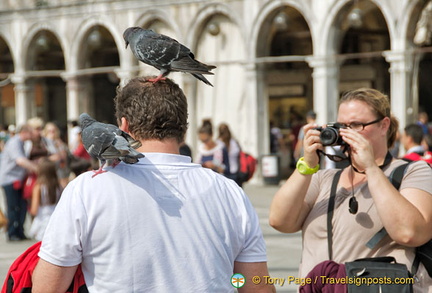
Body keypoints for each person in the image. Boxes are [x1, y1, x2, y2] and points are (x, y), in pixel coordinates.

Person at [33, 77, 273, 293]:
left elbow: (47, 288)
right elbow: (256, 286)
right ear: (184, 129)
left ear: (123, 126)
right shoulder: (230, 192)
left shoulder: (86, 190)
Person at [269, 88, 432, 292]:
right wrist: (307, 165)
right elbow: (279, 221)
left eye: (356, 125)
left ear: (384, 125)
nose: (346, 133)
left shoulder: (413, 171)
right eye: (341, 126)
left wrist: (371, 168)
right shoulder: (324, 178)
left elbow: (410, 233)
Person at [0, 124, 38, 241]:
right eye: (31, 133)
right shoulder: (14, 143)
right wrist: (37, 169)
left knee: (21, 206)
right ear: (25, 132)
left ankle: (20, 231)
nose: (32, 136)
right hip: (10, 179)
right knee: (13, 207)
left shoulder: (21, 143)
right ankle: (12, 233)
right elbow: (20, 160)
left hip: (17, 179)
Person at [29, 159, 62, 241]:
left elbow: (34, 210)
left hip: (42, 218)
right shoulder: (58, 186)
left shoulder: (38, 187)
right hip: (56, 217)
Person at [43, 122, 70, 188]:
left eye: (53, 131)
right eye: (50, 131)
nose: (52, 133)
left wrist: (59, 147)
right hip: (49, 172)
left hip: (61, 172)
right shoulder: (44, 143)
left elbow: (64, 157)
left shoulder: (60, 143)